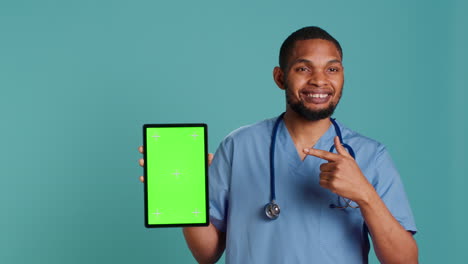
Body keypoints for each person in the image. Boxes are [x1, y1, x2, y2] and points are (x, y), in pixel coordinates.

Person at [139, 26, 418, 263]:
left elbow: (406, 260)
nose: (319, 80)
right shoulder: (239, 147)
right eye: (303, 68)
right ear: (280, 77)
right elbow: (207, 254)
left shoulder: (371, 156)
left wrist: (364, 194)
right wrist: (186, 194)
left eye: (332, 68)